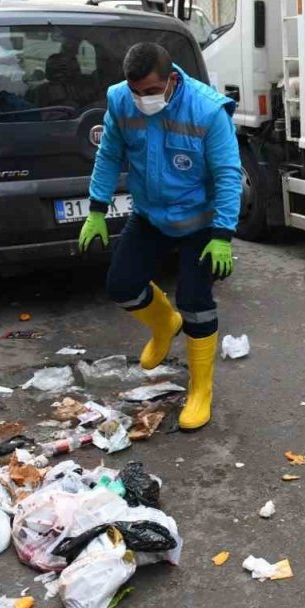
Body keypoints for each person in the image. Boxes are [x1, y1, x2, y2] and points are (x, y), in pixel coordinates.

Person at [77, 42, 241, 431]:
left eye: (150, 91)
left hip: (200, 222)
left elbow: (228, 174)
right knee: (121, 285)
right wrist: (96, 208)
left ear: (171, 80)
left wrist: (222, 234)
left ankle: (201, 389)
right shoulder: (120, 101)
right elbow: (110, 154)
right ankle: (164, 324)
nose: (142, 99)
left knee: (195, 302)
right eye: (136, 91)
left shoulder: (207, 110)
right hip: (151, 214)